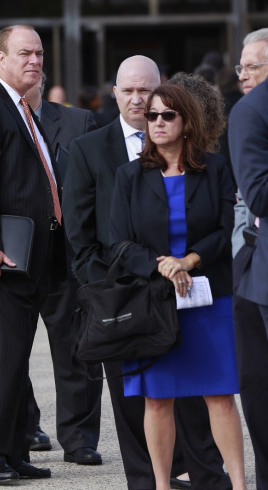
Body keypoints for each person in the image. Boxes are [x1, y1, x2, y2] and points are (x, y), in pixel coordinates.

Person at [63, 55, 230, 490]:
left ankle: (203, 475)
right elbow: (81, 235)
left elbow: (218, 225)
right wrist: (107, 286)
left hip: (191, 288)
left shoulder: (201, 158)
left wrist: (185, 264)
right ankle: (147, 481)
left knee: (195, 393)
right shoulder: (88, 150)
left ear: (164, 92)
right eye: (129, 90)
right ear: (114, 93)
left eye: (147, 92)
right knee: (135, 399)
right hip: (124, 294)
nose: (139, 101)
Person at [110, 84, 245, 490]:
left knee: (220, 395)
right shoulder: (129, 176)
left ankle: (239, 484)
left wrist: (189, 260)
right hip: (154, 301)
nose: (158, 123)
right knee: (158, 398)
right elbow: (118, 243)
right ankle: (161, 485)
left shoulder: (216, 168)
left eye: (168, 115)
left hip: (209, 299)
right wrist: (165, 267)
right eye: (152, 116)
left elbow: (225, 231)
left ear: (187, 122)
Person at [0, 24, 69, 483]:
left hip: (29, 259)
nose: (35, 61)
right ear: (0, 58)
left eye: (40, 53)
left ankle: (16, 451)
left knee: (17, 359)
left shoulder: (22, 109)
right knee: (3, 358)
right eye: (24, 53)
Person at [21, 75, 103, 464]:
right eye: (22, 57)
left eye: (36, 59)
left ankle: (80, 438)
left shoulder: (78, 122)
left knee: (76, 351)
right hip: (15, 252)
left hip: (67, 251)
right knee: (9, 352)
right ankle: (24, 427)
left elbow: (97, 183)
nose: (30, 67)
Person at [229, 26, 268, 490]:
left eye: (253, 66)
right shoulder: (250, 112)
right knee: (257, 391)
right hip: (255, 275)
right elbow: (257, 194)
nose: (243, 75)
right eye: (241, 67)